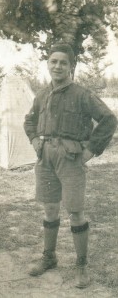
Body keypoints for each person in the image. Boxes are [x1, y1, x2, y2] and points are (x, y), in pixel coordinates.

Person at [23, 43, 117, 288]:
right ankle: (49, 257)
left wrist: (89, 151)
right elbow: (29, 120)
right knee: (50, 209)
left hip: (71, 158)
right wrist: (34, 140)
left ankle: (81, 266)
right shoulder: (42, 94)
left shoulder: (82, 94)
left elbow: (108, 120)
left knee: (75, 211)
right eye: (54, 61)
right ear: (48, 64)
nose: (58, 66)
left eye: (63, 62)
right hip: (45, 158)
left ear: (71, 66)